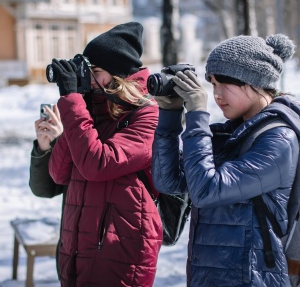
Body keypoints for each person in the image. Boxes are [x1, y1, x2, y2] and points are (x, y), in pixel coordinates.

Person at [152, 33, 300, 286]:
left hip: (252, 278)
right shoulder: (231, 134)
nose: (217, 95)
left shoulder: (279, 139)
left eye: (224, 84)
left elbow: (206, 191)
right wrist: (169, 116)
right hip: (207, 275)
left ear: (253, 80)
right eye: (212, 84)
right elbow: (168, 182)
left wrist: (198, 114)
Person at [48, 22, 162, 286]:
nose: (88, 80)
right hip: (77, 245)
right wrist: (79, 104)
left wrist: (73, 104)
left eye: (95, 72)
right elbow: (59, 172)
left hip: (119, 246)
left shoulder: (147, 113)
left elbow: (97, 164)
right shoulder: (91, 111)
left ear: (118, 74)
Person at [29, 104, 65, 277]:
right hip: (69, 254)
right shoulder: (75, 114)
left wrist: (63, 141)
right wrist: (44, 149)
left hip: (110, 253)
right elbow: (44, 189)